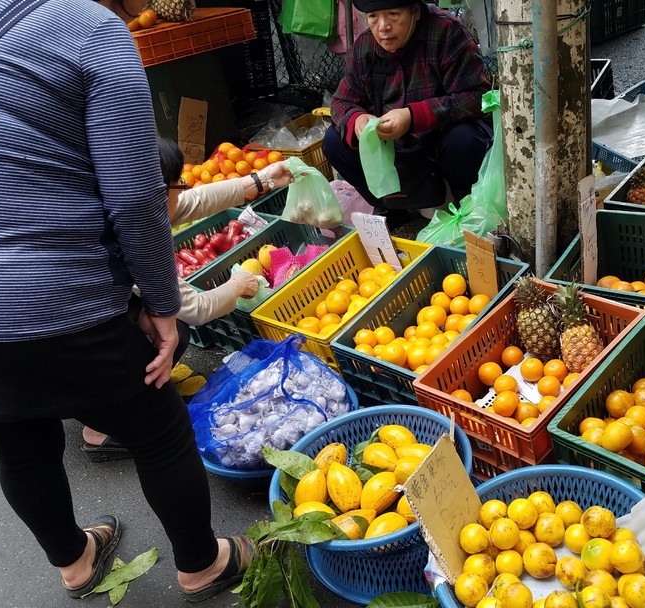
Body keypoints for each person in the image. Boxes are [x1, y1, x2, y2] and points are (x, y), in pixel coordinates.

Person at [0, 0, 250, 601]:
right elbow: (137, 196)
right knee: (158, 427)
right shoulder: (90, 28)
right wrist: (162, 306)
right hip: (45, 297)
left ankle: (77, 563)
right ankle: (202, 565)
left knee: (16, 436)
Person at [81, 137, 293, 462]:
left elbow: (193, 201)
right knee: (171, 325)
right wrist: (237, 286)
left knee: (158, 317)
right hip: (71, 350)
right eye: (177, 182)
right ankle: (101, 428)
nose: (184, 187)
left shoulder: (115, 203)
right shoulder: (133, 239)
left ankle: (104, 400)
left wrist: (259, 180)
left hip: (36, 342)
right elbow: (194, 308)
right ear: (156, 189)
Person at [323, 0, 493, 218]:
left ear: (415, 11)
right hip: (395, 151)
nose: (383, 26)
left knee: (464, 139)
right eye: (373, 16)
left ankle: (465, 201)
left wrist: (414, 116)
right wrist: (357, 119)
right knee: (333, 142)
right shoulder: (364, 47)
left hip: (439, 144)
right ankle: (390, 203)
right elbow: (341, 102)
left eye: (393, 13)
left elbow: (477, 97)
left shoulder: (447, 32)